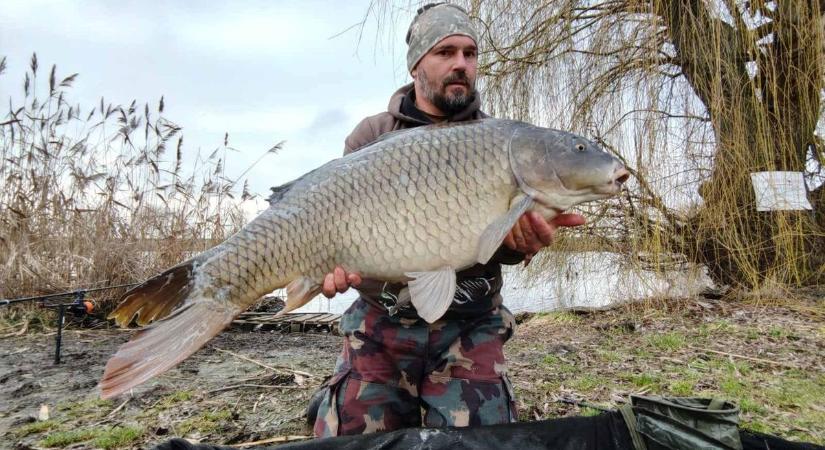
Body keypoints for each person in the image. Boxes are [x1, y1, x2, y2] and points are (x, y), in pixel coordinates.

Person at [311, 2, 585, 437]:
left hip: (471, 322)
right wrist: (328, 272)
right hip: (380, 326)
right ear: (417, 63)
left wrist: (521, 245)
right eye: (445, 53)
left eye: (470, 54)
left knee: (482, 443)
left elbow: (498, 247)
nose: (461, 64)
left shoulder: (505, 143)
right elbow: (340, 231)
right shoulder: (372, 137)